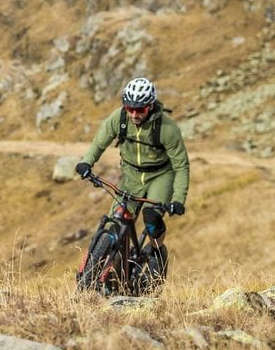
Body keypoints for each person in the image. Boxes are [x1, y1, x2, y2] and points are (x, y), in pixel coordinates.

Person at [75, 77, 190, 246]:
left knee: (151, 218)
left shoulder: (167, 129)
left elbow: (181, 167)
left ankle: (156, 253)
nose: (134, 114)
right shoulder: (119, 119)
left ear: (150, 106)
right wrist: (87, 162)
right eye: (130, 108)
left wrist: (178, 200)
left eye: (140, 109)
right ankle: (110, 264)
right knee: (116, 221)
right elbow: (99, 143)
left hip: (160, 176)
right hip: (131, 175)